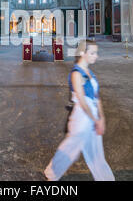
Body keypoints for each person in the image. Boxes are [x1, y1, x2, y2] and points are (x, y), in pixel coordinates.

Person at [44, 40, 115, 181]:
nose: (96, 56)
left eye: (96, 53)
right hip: (81, 117)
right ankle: (50, 174)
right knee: (70, 148)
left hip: (92, 115)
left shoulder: (90, 73)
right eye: (93, 53)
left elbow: (97, 97)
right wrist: (96, 120)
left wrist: (102, 118)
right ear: (83, 53)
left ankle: (105, 178)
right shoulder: (76, 74)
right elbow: (82, 101)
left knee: (96, 152)